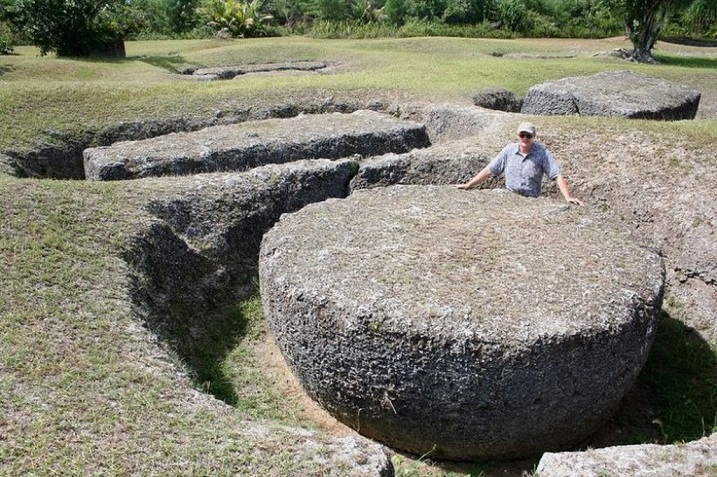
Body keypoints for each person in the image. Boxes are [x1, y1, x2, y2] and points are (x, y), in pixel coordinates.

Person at [454, 122, 583, 205]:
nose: (525, 138)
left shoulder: (542, 152)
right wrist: (469, 184)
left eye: (528, 136)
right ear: (518, 136)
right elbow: (490, 170)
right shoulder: (508, 150)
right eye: (522, 135)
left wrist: (567, 197)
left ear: (533, 137)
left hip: (532, 200)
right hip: (509, 197)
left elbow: (556, 174)